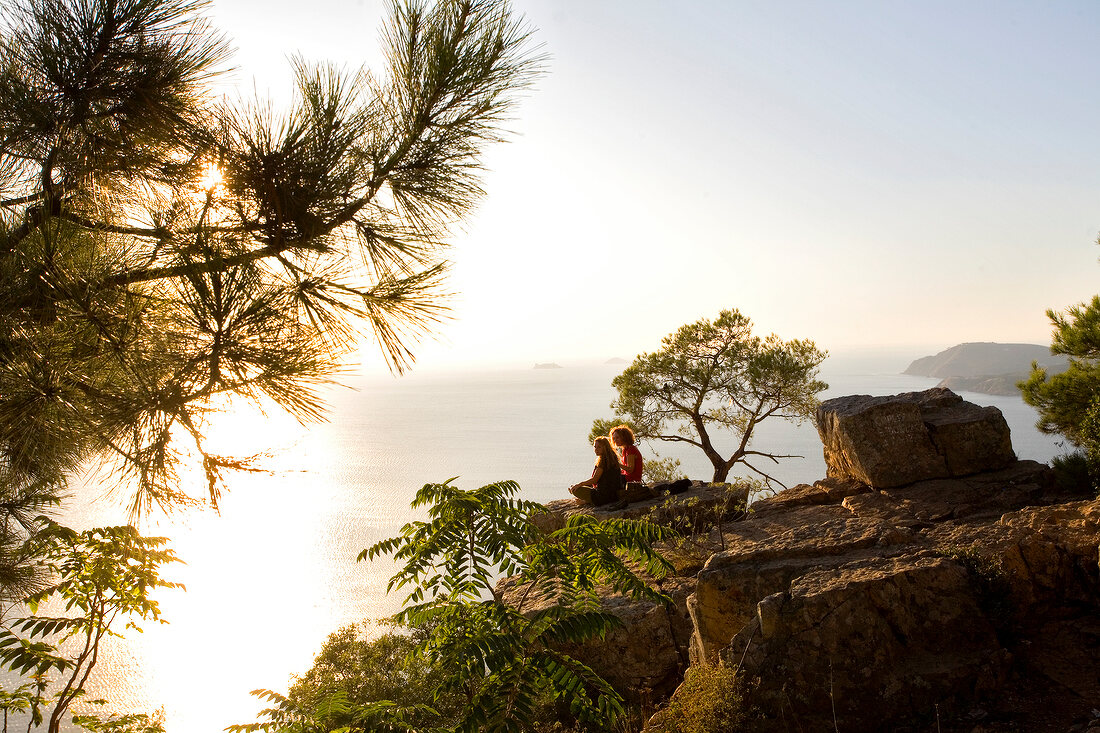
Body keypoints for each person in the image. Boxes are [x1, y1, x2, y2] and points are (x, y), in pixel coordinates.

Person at [568, 436, 623, 506]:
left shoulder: (603, 461)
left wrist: (579, 484)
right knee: (578, 487)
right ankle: (583, 498)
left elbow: (594, 480)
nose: (596, 449)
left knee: (576, 490)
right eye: (595, 447)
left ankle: (585, 501)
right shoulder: (613, 458)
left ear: (605, 448)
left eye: (599, 447)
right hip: (615, 495)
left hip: (603, 497)